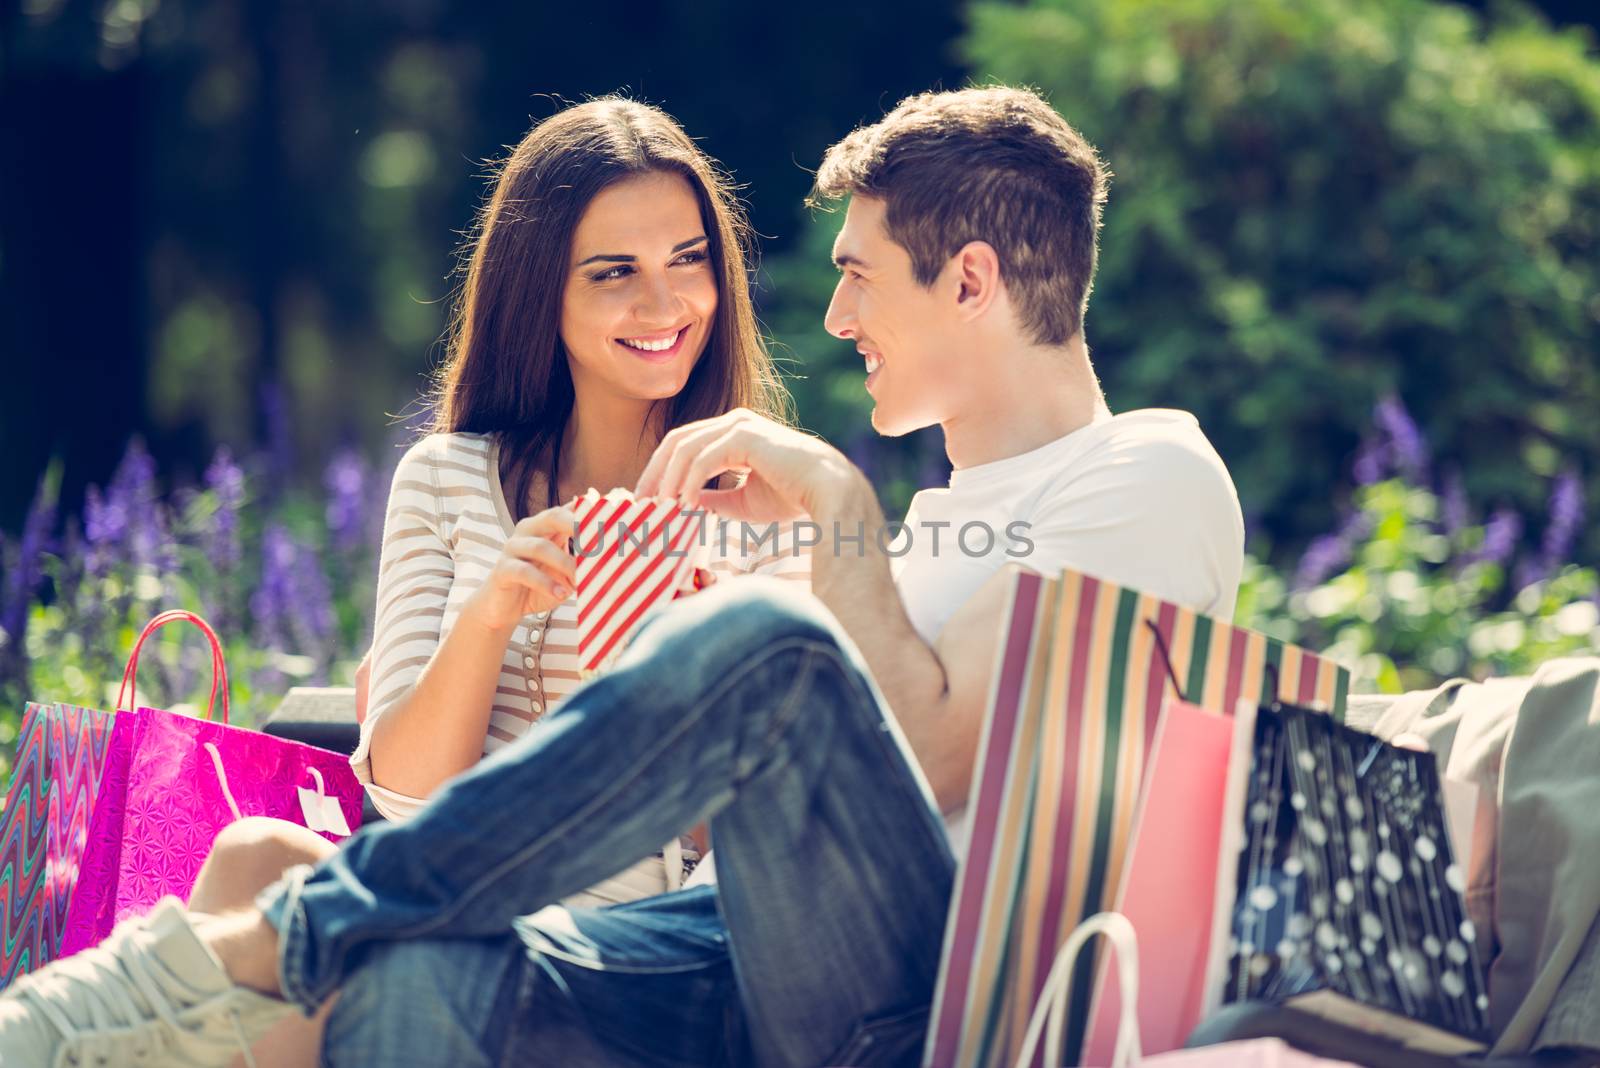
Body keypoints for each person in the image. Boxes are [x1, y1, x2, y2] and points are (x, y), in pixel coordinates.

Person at [0, 84, 1243, 1067]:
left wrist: (825, 523)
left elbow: (937, 762)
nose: (836, 311)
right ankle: (282, 943)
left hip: (930, 992)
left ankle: (258, 944)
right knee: (413, 979)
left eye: (858, 273)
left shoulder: (1146, 472)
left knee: (765, 644)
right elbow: (755, 811)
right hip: (721, 948)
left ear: (968, 280)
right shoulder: (933, 529)